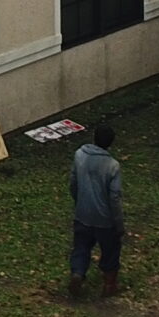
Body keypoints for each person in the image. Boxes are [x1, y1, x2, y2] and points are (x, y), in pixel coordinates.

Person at [68, 123, 124, 298]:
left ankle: (77, 273)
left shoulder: (79, 155)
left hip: (82, 214)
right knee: (111, 249)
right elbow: (114, 198)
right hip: (104, 220)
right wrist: (118, 223)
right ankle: (109, 285)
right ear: (111, 143)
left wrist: (79, 202)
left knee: (81, 246)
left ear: (94, 137)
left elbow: (73, 183)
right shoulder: (112, 166)